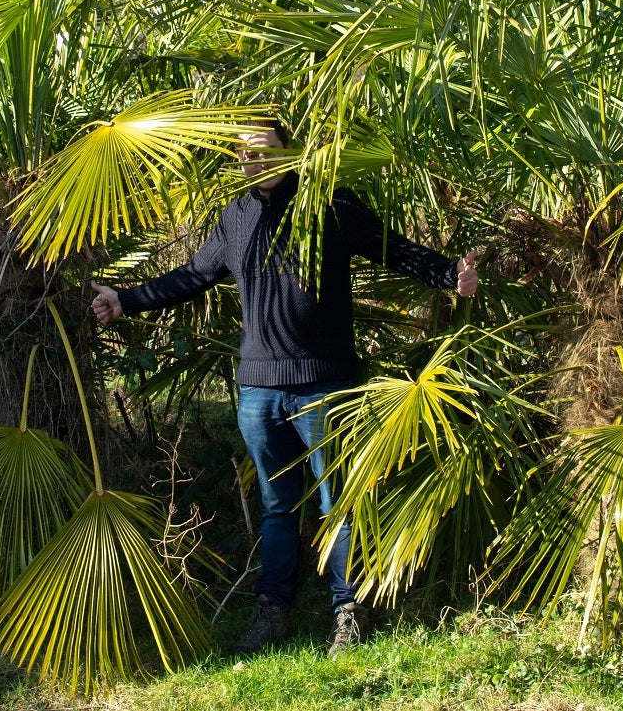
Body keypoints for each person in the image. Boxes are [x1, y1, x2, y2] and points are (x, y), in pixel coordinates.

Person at [89, 119, 481, 656]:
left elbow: (391, 248)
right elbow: (192, 275)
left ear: (288, 152)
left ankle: (348, 611)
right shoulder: (235, 218)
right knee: (277, 507)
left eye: (266, 151)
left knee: (338, 503)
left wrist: (447, 273)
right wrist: (126, 299)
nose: (257, 162)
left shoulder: (330, 205)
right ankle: (273, 611)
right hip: (259, 393)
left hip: (326, 384)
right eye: (246, 154)